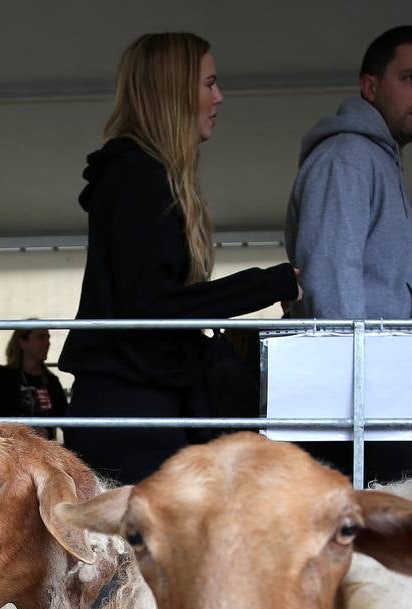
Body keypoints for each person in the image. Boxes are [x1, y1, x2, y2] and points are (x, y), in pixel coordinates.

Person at [57, 32, 299, 484]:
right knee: (149, 548)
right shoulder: (137, 179)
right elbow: (152, 306)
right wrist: (269, 285)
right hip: (131, 405)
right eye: (209, 84)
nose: (219, 97)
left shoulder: (142, 176)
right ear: (175, 92)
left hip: (139, 397)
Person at [285, 25, 412, 483]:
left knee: (379, 525)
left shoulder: (375, 159)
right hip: (359, 390)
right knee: (365, 527)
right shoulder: (349, 157)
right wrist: (357, 387)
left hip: (378, 381)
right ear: (370, 86)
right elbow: (331, 275)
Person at [0, 328, 68, 440]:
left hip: (44, 452)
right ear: (22, 343)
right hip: (10, 450)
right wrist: (26, 431)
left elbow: (67, 421)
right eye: (41, 337)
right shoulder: (2, 377)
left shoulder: (51, 381)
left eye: (48, 338)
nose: (47, 342)